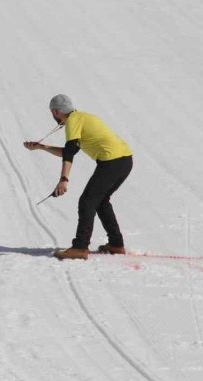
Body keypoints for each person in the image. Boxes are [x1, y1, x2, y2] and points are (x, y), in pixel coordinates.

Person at [24, 94, 133, 260]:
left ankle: (80, 248)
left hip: (112, 161)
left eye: (52, 113)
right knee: (101, 201)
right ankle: (116, 244)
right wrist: (41, 147)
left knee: (87, 201)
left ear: (55, 112)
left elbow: (69, 151)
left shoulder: (73, 121)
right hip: (125, 160)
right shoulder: (82, 117)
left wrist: (63, 179)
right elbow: (71, 150)